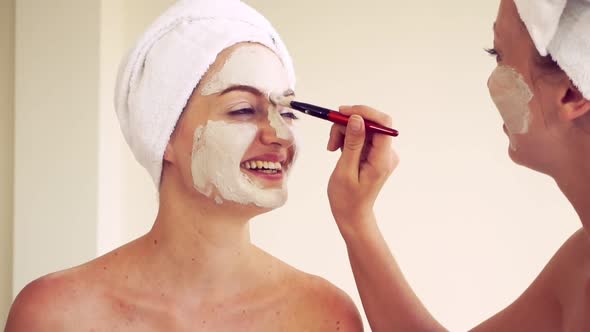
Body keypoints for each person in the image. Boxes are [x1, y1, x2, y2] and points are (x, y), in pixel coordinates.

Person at [4, 1, 364, 331]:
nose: (281, 135)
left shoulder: (324, 314)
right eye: (242, 110)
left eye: (286, 112)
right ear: (163, 135)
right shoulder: (55, 313)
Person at [326, 0, 590, 331]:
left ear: (571, 92)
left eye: (499, 55)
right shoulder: (581, 261)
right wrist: (356, 218)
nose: (490, 78)